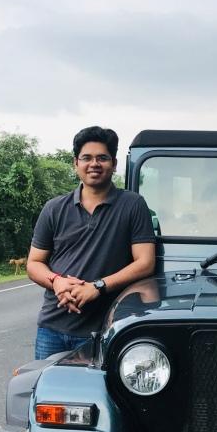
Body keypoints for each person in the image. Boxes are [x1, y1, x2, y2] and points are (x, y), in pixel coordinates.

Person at [27, 126, 156, 359]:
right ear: (76, 163)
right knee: (49, 394)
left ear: (114, 164)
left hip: (104, 329)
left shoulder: (132, 205)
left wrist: (97, 287)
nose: (94, 164)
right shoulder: (54, 208)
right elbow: (34, 263)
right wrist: (56, 282)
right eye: (86, 158)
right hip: (52, 328)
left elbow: (145, 262)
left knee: (98, 395)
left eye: (102, 158)